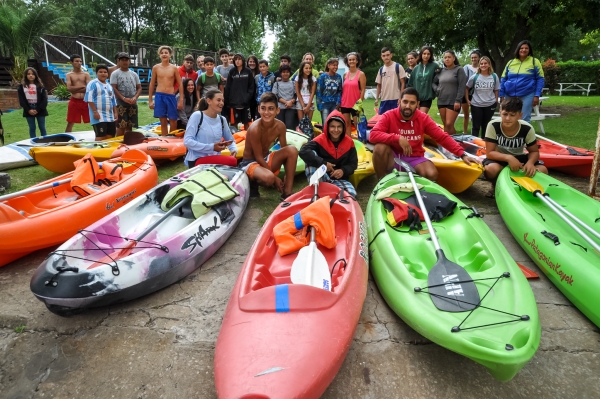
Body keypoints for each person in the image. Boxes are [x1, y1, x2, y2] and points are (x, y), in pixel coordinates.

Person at [370, 88, 479, 181]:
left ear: (418, 104)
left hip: (414, 157)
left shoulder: (423, 118)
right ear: (399, 102)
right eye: (405, 102)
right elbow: (373, 135)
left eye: (412, 103)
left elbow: (442, 137)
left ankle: (412, 179)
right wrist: (397, 138)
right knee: (379, 147)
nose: (408, 105)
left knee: (432, 174)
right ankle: (381, 181)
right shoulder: (389, 115)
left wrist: (462, 154)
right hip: (393, 157)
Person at [483, 97, 548, 198]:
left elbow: (534, 152)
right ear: (500, 112)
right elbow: (489, 153)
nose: (508, 118)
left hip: (520, 158)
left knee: (543, 170)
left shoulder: (527, 128)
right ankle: (496, 185)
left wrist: (530, 163)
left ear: (520, 115)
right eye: (505, 114)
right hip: (499, 158)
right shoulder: (493, 125)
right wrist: (509, 158)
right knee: (491, 169)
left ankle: (526, 187)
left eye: (512, 115)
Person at [240, 92, 299, 199]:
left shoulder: (280, 126)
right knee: (269, 178)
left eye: (271, 108)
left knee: (292, 150)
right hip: (250, 163)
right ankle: (251, 182)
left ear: (278, 110)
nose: (266, 112)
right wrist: (275, 179)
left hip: (265, 158)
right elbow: (258, 157)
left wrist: (287, 175)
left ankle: (287, 193)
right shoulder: (255, 129)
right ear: (258, 109)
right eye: (263, 108)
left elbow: (284, 150)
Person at [299, 110, 358, 197]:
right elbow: (303, 151)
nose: (336, 130)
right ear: (327, 127)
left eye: (339, 127)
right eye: (332, 126)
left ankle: (325, 195)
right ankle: (317, 191)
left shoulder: (349, 142)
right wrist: (324, 164)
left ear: (344, 127)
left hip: (340, 180)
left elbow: (353, 164)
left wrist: (343, 170)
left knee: (351, 195)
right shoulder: (320, 139)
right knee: (310, 156)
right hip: (321, 178)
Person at [183, 89, 237, 168]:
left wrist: (233, 150)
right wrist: (211, 147)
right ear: (209, 101)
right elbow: (187, 141)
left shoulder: (222, 120)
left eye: (222, 100)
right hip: (198, 159)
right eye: (218, 100)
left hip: (214, 159)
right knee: (232, 161)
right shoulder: (197, 116)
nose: (221, 103)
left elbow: (230, 140)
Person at [499, 40, 545, 123]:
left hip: (527, 94)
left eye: (526, 48)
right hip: (509, 94)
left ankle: (524, 136)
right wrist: (501, 94)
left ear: (529, 50)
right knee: (508, 116)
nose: (523, 50)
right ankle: (510, 135)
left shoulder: (535, 62)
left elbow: (540, 79)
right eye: (521, 48)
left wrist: (537, 95)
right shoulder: (511, 62)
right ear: (518, 49)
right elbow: (503, 79)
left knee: (524, 118)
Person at [148, 46, 184, 136]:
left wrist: (181, 100)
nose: (164, 54)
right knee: (163, 121)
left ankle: (172, 139)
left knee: (173, 120)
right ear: (159, 55)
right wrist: (150, 100)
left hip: (170, 96)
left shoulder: (174, 68)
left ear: (170, 55)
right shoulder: (156, 68)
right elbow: (152, 84)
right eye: (162, 53)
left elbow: (180, 84)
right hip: (160, 96)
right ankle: (164, 139)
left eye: (166, 52)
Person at [432, 50, 467, 135]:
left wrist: (458, 100)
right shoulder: (441, 71)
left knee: (449, 124)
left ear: (454, 58)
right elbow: (433, 83)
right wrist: (437, 89)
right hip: (441, 100)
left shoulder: (459, 69)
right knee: (445, 125)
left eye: (449, 57)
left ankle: (454, 145)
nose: (447, 59)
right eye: (445, 57)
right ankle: (447, 145)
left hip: (454, 101)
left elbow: (462, 86)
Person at [465, 56, 500, 138]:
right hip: (476, 104)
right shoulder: (475, 76)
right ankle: (474, 144)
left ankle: (485, 144)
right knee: (476, 126)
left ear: (489, 65)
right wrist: (467, 100)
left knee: (486, 126)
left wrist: (495, 101)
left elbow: (496, 89)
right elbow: (466, 88)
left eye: (485, 63)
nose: (483, 65)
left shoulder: (494, 76)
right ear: (479, 65)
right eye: (481, 63)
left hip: (490, 104)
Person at [110, 52, 142, 136]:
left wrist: (135, 97)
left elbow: (139, 87)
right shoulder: (115, 73)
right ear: (119, 61)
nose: (125, 62)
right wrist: (123, 98)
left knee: (130, 125)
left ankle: (128, 142)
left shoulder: (134, 74)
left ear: (129, 61)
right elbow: (113, 88)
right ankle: (119, 143)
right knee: (121, 125)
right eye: (122, 60)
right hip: (121, 103)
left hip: (132, 102)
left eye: (126, 60)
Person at [84, 64, 118, 141]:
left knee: (111, 136)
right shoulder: (92, 84)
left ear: (108, 74)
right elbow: (89, 99)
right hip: (99, 116)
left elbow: (113, 100)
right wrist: (95, 112)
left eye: (105, 72)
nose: (103, 74)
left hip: (110, 116)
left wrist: (115, 112)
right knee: (101, 136)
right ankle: (97, 152)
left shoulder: (109, 86)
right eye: (100, 72)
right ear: (96, 73)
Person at [224, 53, 255, 129]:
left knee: (247, 124)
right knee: (234, 124)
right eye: (236, 59)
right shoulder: (232, 72)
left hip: (245, 103)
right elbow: (228, 87)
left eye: (239, 59)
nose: (237, 61)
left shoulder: (248, 71)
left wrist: (246, 98)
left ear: (243, 60)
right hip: (233, 103)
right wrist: (228, 100)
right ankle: (234, 140)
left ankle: (247, 139)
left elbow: (251, 87)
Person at [340, 52, 366, 136]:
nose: (351, 61)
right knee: (346, 124)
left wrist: (359, 105)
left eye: (353, 59)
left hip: (355, 104)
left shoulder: (361, 74)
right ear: (347, 62)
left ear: (357, 61)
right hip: (345, 104)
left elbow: (362, 90)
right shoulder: (345, 74)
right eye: (350, 60)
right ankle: (349, 143)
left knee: (357, 124)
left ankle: (361, 142)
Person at [407, 46, 438, 114]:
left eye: (428, 54)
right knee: (415, 117)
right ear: (421, 54)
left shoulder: (435, 66)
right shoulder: (416, 68)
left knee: (421, 115)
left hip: (427, 97)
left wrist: (435, 91)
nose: (426, 56)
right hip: (415, 98)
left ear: (431, 55)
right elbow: (410, 84)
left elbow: (439, 80)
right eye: (424, 53)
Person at [375, 47, 406, 114]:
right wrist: (377, 98)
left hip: (396, 99)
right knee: (384, 121)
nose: (386, 57)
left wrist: (401, 97)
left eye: (387, 55)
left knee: (397, 120)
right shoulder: (381, 69)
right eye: (384, 56)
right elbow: (379, 85)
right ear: (381, 57)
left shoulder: (398, 67)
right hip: (384, 99)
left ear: (391, 55)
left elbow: (403, 83)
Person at [18, 67, 48, 138]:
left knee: (42, 127)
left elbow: (44, 99)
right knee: (32, 128)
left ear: (36, 75)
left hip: (40, 109)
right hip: (29, 109)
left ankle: (45, 142)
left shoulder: (40, 86)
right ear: (26, 75)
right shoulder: (22, 87)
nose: (31, 75)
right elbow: (21, 100)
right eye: (28, 74)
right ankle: (33, 143)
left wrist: (38, 109)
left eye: (33, 74)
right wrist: (28, 109)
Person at [65, 54, 91, 132]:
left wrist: (75, 89)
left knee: (93, 121)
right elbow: (69, 88)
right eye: (76, 61)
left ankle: (99, 136)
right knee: (70, 122)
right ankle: (66, 139)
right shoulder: (69, 75)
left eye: (80, 61)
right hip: (74, 101)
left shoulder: (86, 74)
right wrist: (82, 87)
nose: (79, 63)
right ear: (71, 63)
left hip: (85, 101)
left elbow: (89, 89)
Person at [315, 58, 343, 123]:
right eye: (334, 65)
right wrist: (319, 106)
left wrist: (338, 102)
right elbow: (318, 92)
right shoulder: (322, 77)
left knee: (333, 123)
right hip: (324, 104)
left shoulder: (338, 77)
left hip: (335, 104)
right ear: (328, 66)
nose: (335, 67)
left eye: (336, 65)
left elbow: (340, 91)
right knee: (325, 124)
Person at [461, 50, 481, 134]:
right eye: (472, 57)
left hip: (476, 94)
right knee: (466, 114)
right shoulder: (466, 67)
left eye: (475, 57)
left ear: (479, 58)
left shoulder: (481, 68)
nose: (473, 59)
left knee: (475, 115)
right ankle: (464, 132)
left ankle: (474, 132)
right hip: (465, 93)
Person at [272, 64, 297, 130]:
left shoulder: (293, 83)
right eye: (283, 72)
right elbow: (275, 96)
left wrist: (291, 102)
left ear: (289, 73)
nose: (285, 74)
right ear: (280, 73)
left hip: (291, 107)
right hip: (280, 107)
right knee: (280, 125)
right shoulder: (277, 84)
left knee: (289, 125)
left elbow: (296, 94)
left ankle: (289, 139)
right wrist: (286, 102)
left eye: (287, 72)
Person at [247, 55, 260, 120]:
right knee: (248, 116)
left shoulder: (260, 73)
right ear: (247, 62)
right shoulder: (245, 72)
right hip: (248, 97)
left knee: (257, 116)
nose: (252, 63)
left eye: (253, 61)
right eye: (250, 61)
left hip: (257, 97)